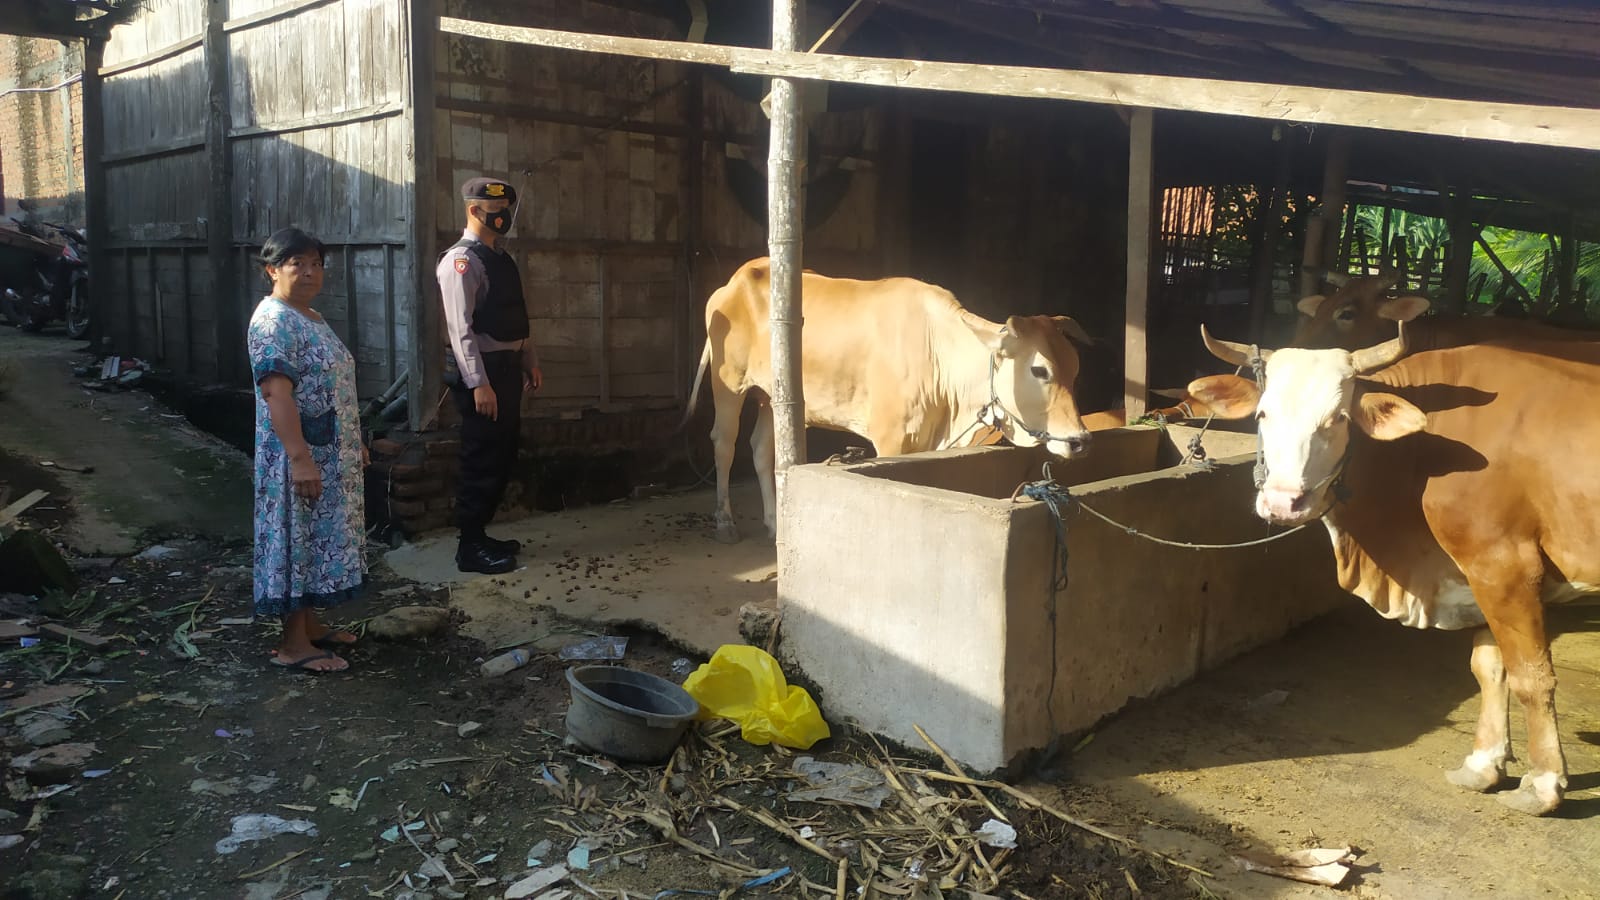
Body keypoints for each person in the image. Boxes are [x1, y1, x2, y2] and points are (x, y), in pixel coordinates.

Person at [248, 227, 368, 673]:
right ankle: (293, 645)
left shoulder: (310, 316)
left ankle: (311, 625)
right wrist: (300, 459)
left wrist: (354, 442)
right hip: (296, 455)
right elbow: (276, 393)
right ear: (272, 270)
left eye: (316, 264)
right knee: (298, 540)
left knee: (317, 539)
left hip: (329, 452)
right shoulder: (273, 320)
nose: (309, 272)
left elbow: (331, 386)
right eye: (297, 263)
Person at [436, 176, 542, 574]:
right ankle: (469, 547)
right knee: (481, 457)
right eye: (496, 212)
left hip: (507, 369)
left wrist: (529, 358)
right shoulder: (461, 262)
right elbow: (459, 330)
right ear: (473, 211)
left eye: (505, 212)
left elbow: (517, 316)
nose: (503, 219)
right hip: (483, 373)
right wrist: (478, 383)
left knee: (502, 454)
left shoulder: (500, 258)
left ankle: (480, 534)